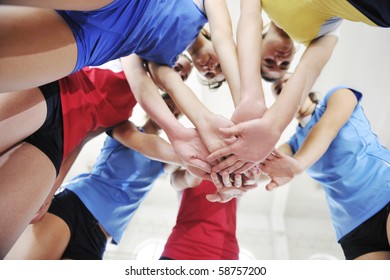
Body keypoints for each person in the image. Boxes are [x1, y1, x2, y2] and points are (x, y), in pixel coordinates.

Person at [0, 54, 196, 259]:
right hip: (76, 205)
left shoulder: (165, 161)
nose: (171, 113)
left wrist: (206, 160)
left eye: (176, 113)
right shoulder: (124, 125)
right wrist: (51, 189)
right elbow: (144, 143)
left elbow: (189, 177)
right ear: (155, 104)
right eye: (168, 106)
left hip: (101, 237)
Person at [207, 0, 390, 172]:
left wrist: (250, 96)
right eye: (284, 65)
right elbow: (308, 70)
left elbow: (249, 17)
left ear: (259, 43)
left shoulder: (262, 6)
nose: (279, 60)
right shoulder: (323, 35)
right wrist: (272, 126)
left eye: (269, 62)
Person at [259, 82, 390, 260]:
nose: (285, 86)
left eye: (291, 81)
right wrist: (229, 172)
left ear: (306, 84)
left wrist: (297, 164)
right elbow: (261, 167)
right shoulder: (293, 144)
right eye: (279, 90)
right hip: (351, 224)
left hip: (384, 191)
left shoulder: (339, 95)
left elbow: (328, 128)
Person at [160, 166, 260, 260]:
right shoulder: (183, 169)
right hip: (179, 250)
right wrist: (196, 168)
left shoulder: (234, 173)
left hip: (223, 255)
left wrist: (252, 175)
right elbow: (179, 180)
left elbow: (255, 178)